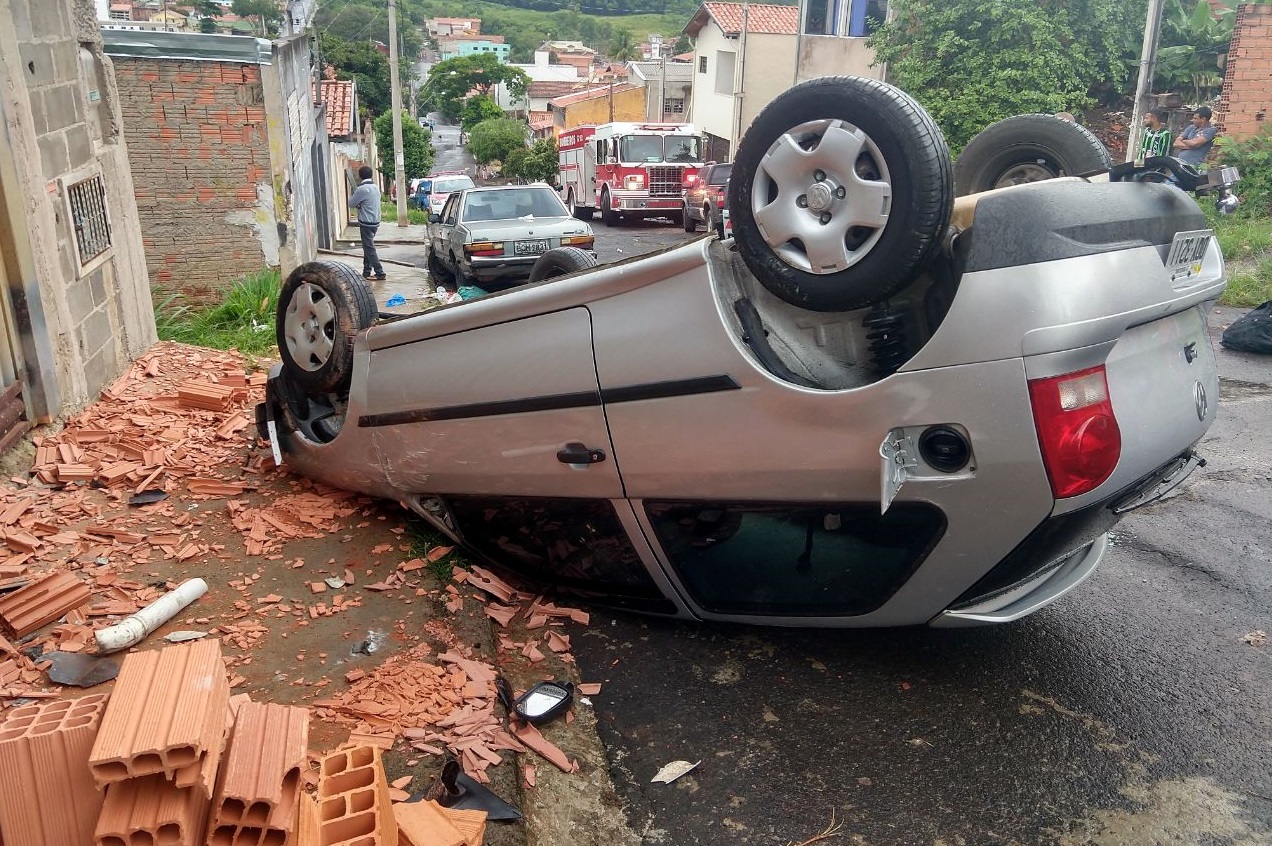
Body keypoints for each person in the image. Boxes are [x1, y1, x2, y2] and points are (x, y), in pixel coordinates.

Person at [348, 165, 385, 281]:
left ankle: (380, 272)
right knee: (367, 246)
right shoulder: (375, 187)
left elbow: (351, 203)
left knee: (369, 248)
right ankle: (366, 271)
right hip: (375, 221)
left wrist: (358, 203)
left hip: (366, 222)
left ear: (359, 176)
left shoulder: (362, 189)